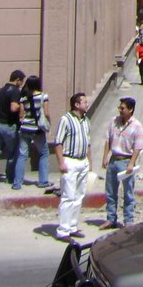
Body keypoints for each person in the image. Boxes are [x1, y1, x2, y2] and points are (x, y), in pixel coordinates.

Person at [101, 96, 143, 227]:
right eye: (119, 107)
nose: (120, 110)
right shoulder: (113, 121)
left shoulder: (137, 126)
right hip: (114, 160)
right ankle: (111, 218)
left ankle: (128, 220)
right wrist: (105, 157)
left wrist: (131, 163)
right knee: (110, 191)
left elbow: (137, 147)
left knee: (128, 193)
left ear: (130, 109)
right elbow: (108, 140)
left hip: (126, 162)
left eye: (123, 108)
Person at [54, 92, 92, 241]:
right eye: (84, 102)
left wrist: (89, 163)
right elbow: (58, 142)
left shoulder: (86, 121)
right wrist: (61, 162)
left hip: (82, 161)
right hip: (70, 161)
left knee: (79, 195)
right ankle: (63, 230)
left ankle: (73, 226)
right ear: (76, 105)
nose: (87, 104)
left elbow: (88, 142)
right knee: (68, 196)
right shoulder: (66, 120)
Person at [13, 75, 50, 190]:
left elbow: (21, 115)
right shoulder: (43, 96)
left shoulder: (23, 98)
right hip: (37, 129)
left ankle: (17, 183)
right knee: (44, 153)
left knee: (22, 155)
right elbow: (46, 113)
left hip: (25, 129)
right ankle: (43, 181)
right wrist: (48, 123)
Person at [0, 69, 26, 185]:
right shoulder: (15, 91)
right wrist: (22, 106)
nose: (21, 84)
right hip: (9, 125)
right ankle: (10, 178)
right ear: (18, 80)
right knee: (12, 153)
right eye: (21, 82)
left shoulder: (1, 91)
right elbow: (13, 108)